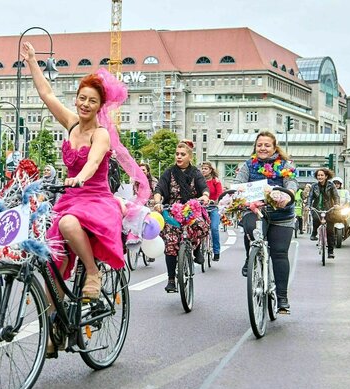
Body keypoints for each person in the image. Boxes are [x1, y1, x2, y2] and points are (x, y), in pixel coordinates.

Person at [22, 41, 149, 303]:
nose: (85, 104)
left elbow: (92, 163)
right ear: (76, 99)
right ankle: (54, 327)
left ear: (100, 106)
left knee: (68, 223)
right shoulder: (70, 123)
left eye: (92, 101)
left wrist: (80, 177)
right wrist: (33, 61)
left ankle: (92, 273)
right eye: (82, 98)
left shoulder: (100, 133)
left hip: (96, 199)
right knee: (52, 263)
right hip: (70, 198)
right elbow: (47, 94)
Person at [233, 131, 298, 313]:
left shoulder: (285, 165)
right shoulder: (248, 165)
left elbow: (291, 183)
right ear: (255, 147)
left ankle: (282, 298)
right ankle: (250, 256)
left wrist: (287, 195)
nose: (263, 148)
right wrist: (236, 195)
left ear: (274, 147)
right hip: (256, 210)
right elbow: (238, 182)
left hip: (281, 214)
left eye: (267, 145)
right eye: (259, 145)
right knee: (250, 226)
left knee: (279, 254)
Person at [153, 141, 210, 293]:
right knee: (170, 242)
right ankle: (171, 279)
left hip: (192, 209)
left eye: (182, 154)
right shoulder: (169, 172)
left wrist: (204, 196)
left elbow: (204, 187)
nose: (179, 156)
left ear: (189, 157)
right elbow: (159, 188)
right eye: (177, 154)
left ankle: (196, 247)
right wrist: (157, 202)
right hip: (173, 211)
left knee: (201, 226)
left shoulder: (196, 173)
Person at [307, 168, 338, 258]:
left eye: (322, 175)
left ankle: (330, 252)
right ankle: (314, 233)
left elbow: (336, 196)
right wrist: (308, 205)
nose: (320, 177)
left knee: (330, 231)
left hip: (329, 209)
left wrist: (336, 204)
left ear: (326, 176)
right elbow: (310, 197)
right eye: (318, 175)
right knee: (316, 218)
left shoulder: (331, 185)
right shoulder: (314, 186)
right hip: (317, 208)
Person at [202, 161, 223, 261]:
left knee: (214, 228)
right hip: (202, 207)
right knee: (198, 228)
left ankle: (216, 252)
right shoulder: (199, 180)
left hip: (213, 207)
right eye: (202, 168)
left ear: (210, 170)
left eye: (205, 168)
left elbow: (220, 193)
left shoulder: (215, 181)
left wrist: (215, 201)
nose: (203, 170)